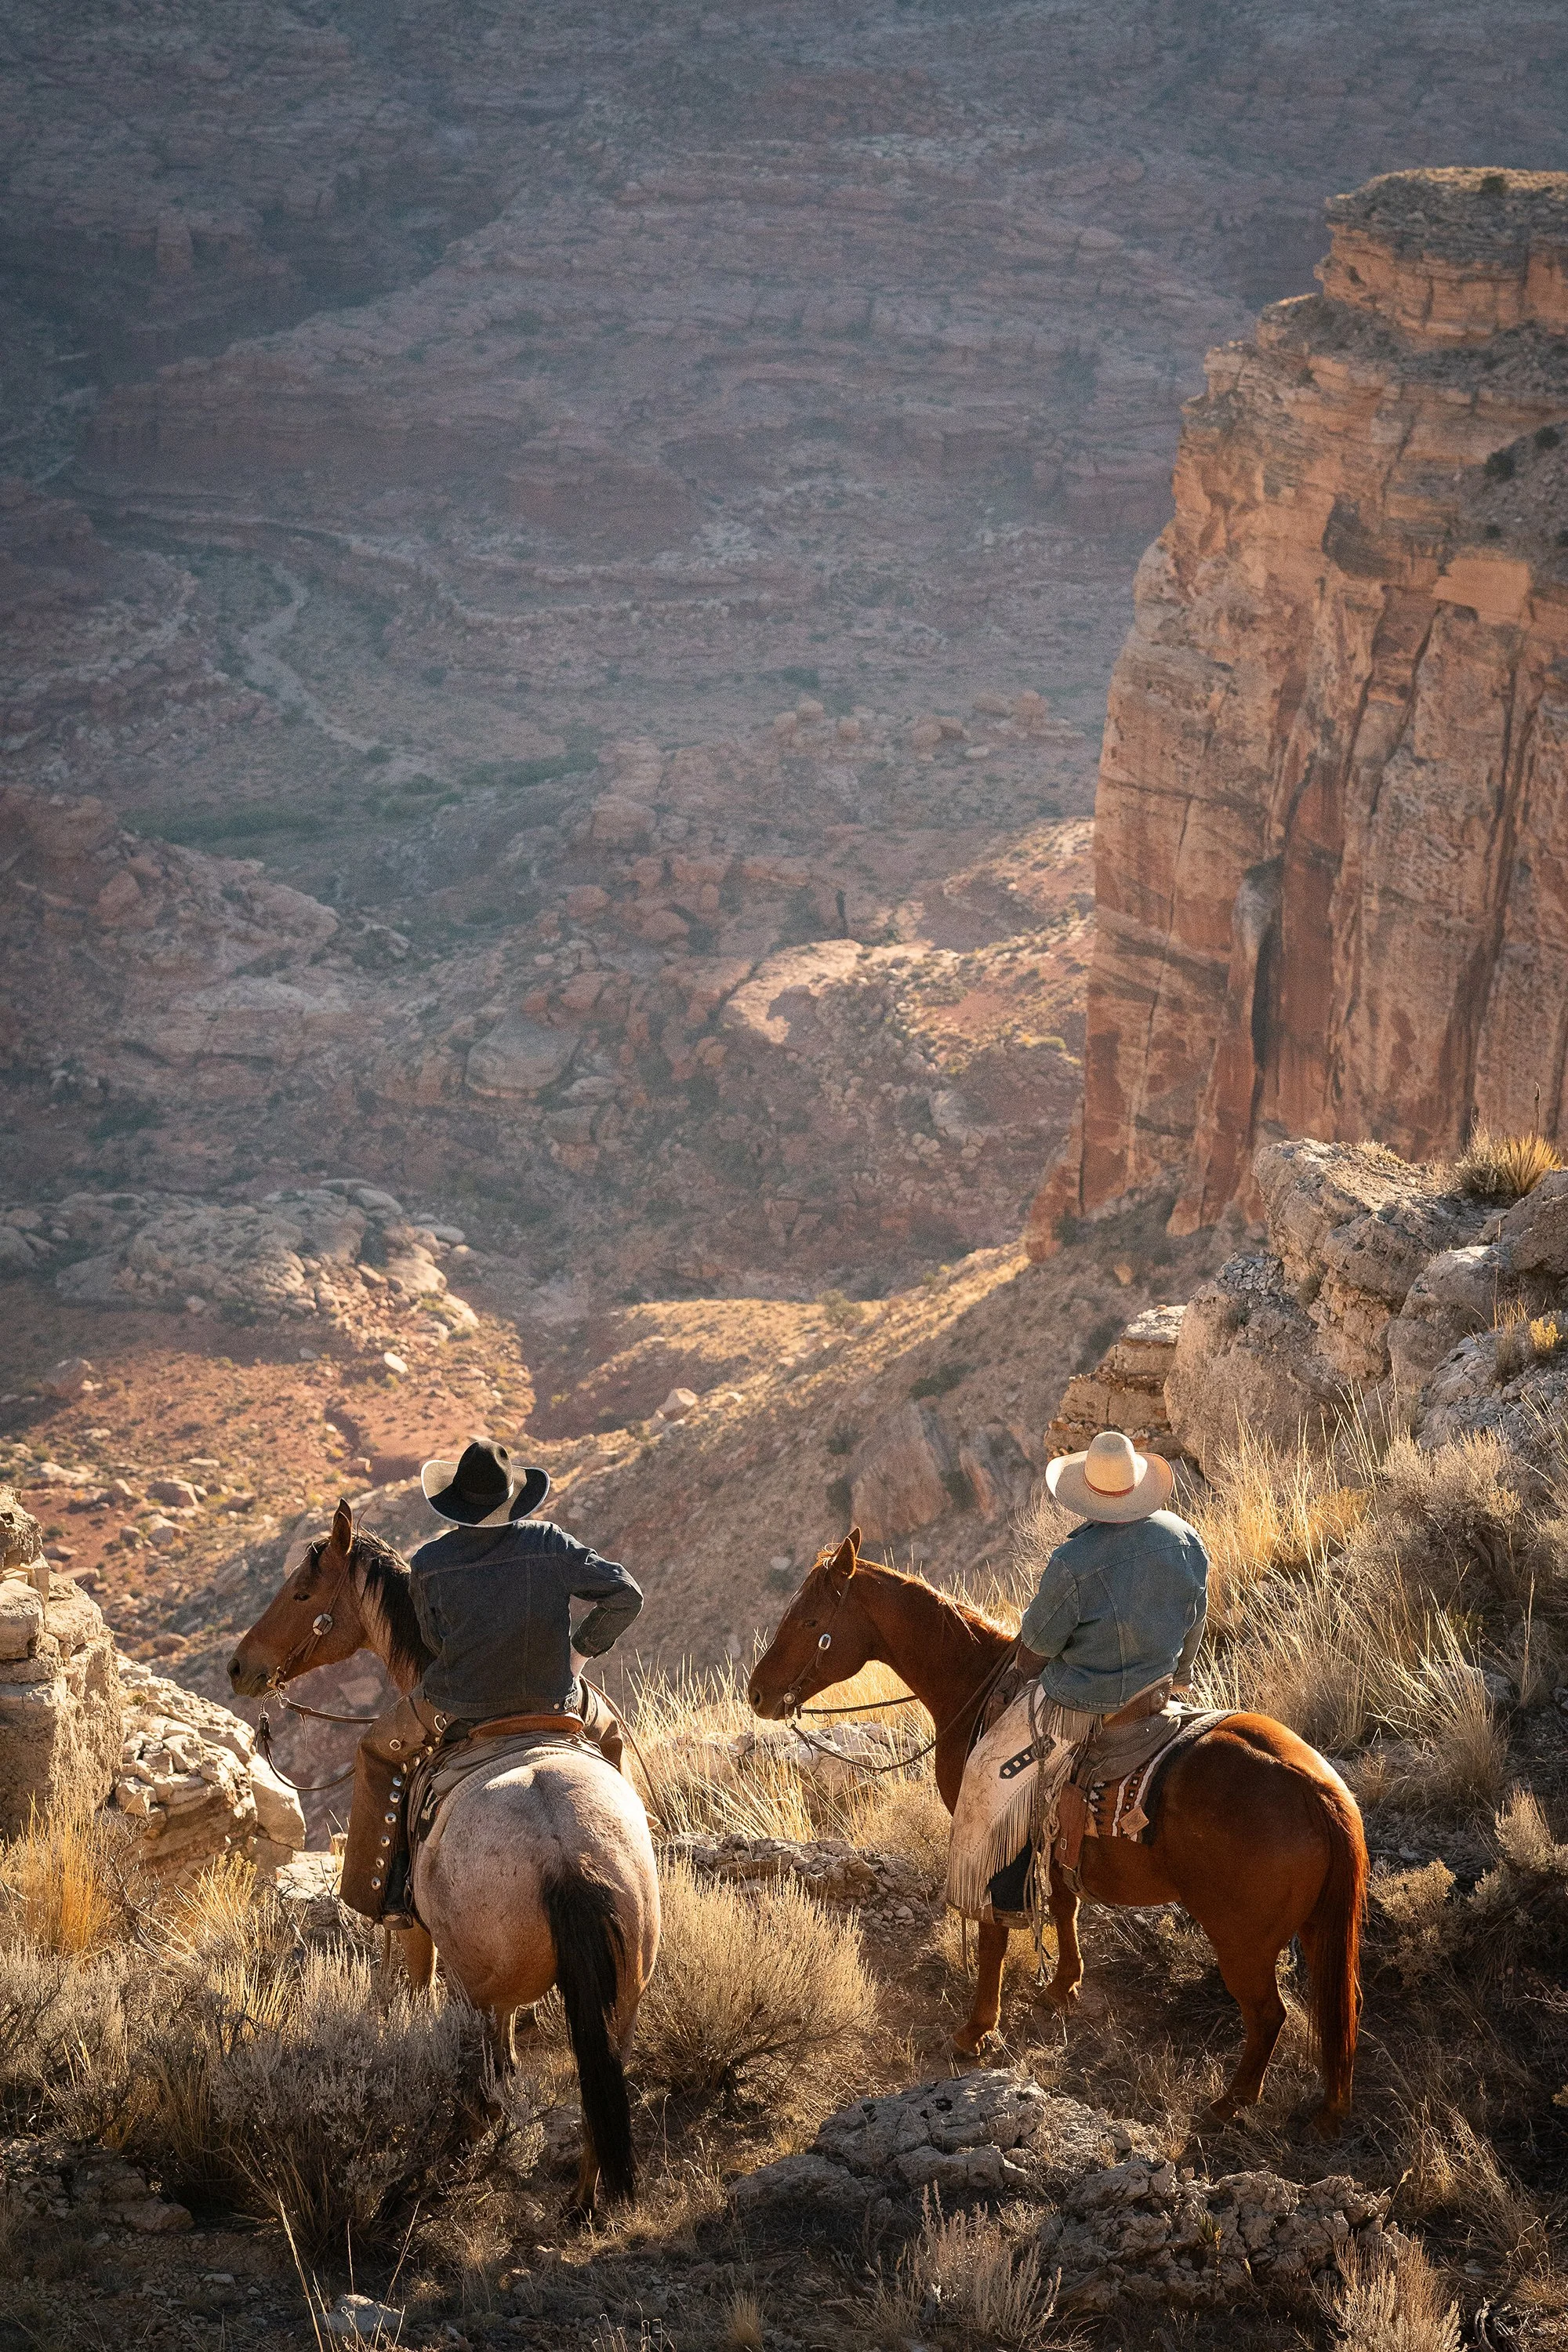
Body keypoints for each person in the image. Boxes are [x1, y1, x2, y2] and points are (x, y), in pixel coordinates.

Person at [339, 1437, 643, 1924]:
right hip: (553, 1694)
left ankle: (382, 1894)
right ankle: (644, 1848)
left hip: (458, 1704)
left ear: (456, 1503)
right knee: (610, 1736)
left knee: (377, 1752)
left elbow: (435, 1644)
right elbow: (626, 1595)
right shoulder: (550, 1543)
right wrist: (577, 1655)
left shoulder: (429, 1564)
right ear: (512, 1497)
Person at [946, 1428, 1209, 1926]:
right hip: (1157, 1693)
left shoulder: (1073, 1561)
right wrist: (1178, 1677)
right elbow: (1196, 1615)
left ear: (1087, 1494)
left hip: (1081, 1702)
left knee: (986, 1768)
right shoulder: (1184, 1537)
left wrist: (1013, 1681)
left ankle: (1003, 1897)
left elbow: (1039, 1646)